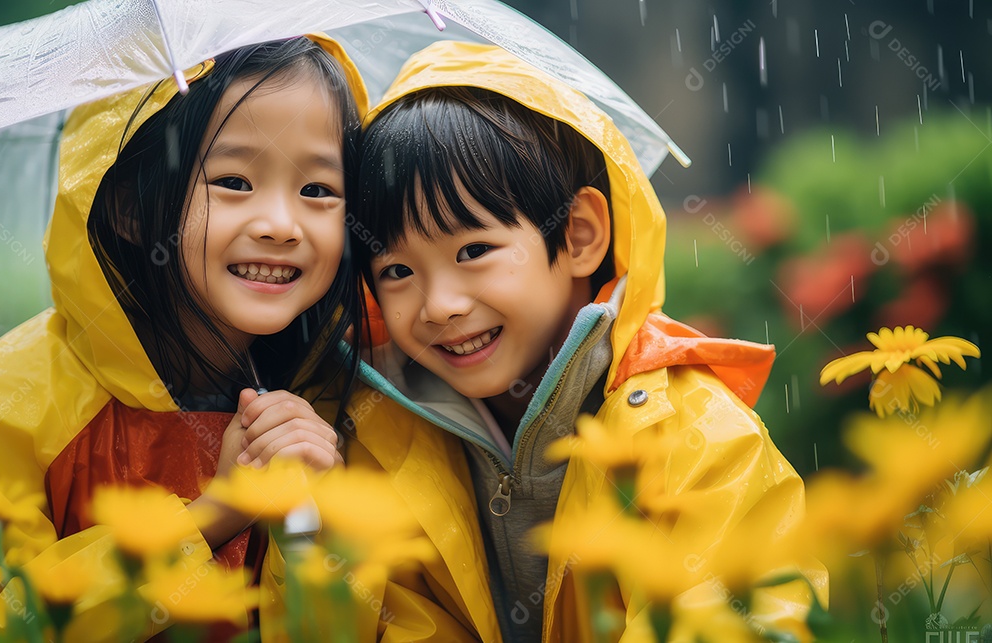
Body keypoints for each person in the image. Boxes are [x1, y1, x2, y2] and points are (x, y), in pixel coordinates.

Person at [347, 41, 828, 642]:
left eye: (474, 251)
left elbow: (741, 621)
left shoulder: (698, 440)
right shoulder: (375, 441)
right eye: (396, 271)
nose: (440, 305)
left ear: (577, 236)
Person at [0, 35, 368, 640]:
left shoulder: (337, 398)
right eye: (233, 182)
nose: (282, 225)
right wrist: (215, 515)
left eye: (317, 191)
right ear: (127, 205)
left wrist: (311, 521)